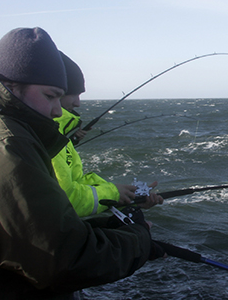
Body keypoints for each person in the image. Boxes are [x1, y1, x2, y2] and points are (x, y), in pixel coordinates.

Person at [0, 27, 163, 299]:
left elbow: (25, 234)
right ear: (11, 86)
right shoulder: (2, 147)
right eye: (50, 96)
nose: (58, 110)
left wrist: (106, 228)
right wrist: (140, 238)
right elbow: (64, 260)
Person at [53, 52, 163, 217]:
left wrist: (129, 195)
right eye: (74, 94)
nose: (78, 103)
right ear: (56, 92)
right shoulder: (48, 141)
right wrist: (114, 194)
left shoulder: (59, 138)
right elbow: (65, 200)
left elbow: (78, 182)